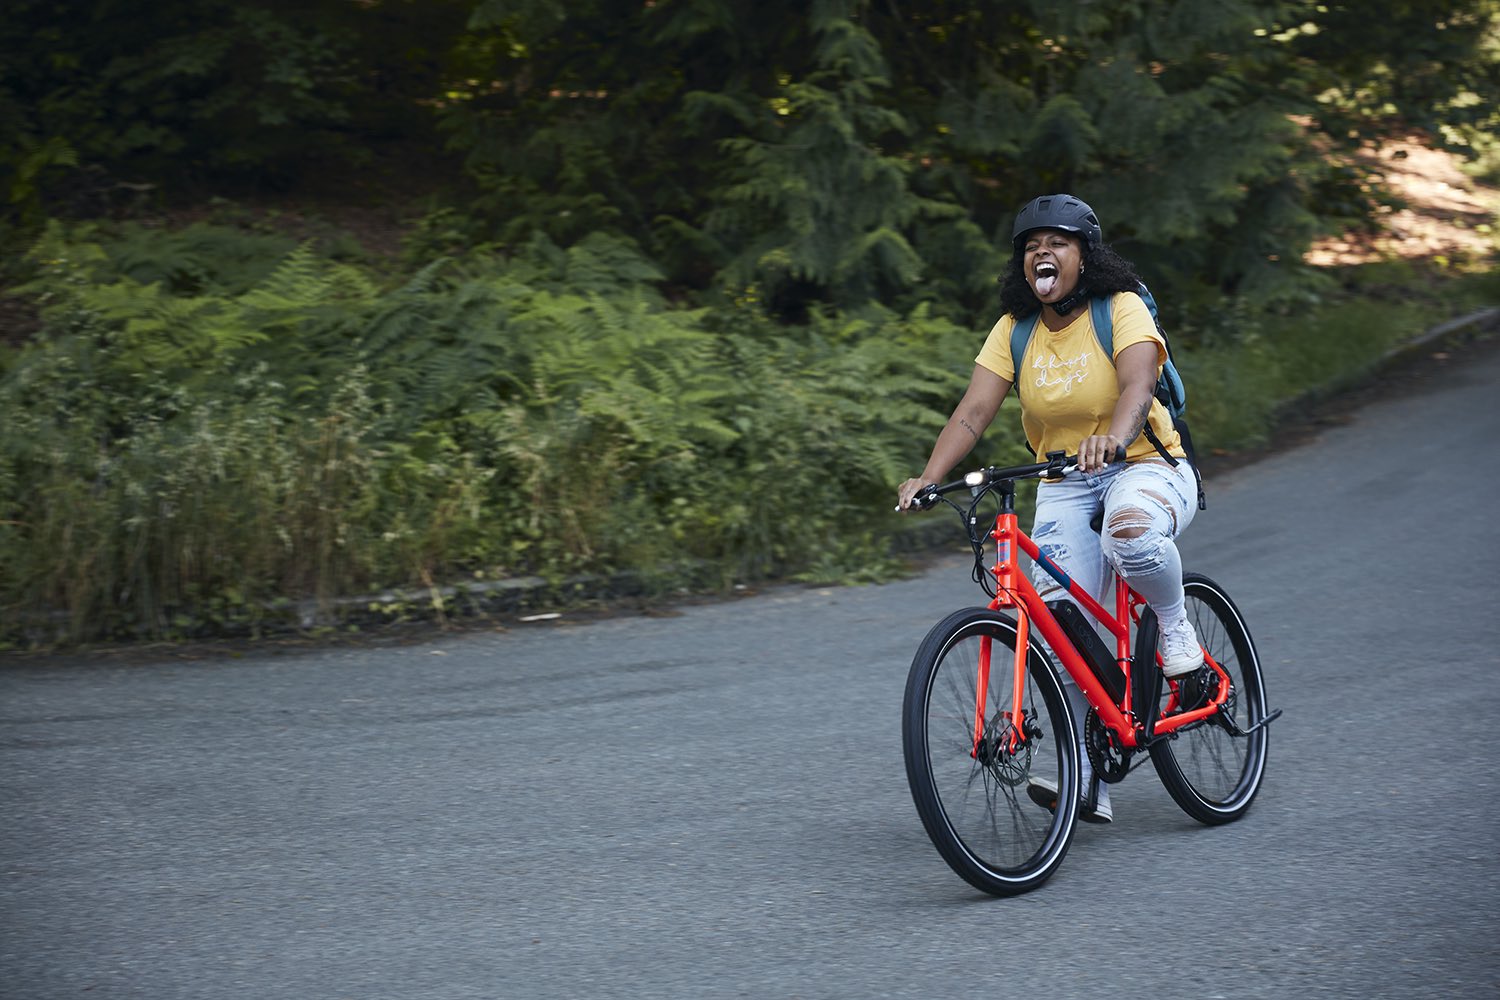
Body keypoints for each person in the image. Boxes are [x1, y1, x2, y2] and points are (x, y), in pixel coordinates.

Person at [896, 193, 1203, 824]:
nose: (1044, 251)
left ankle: (1175, 630)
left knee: (1130, 536)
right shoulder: (1016, 329)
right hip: (1063, 478)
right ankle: (1086, 779)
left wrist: (1115, 438)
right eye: (1033, 244)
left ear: (1085, 257)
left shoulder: (1118, 309)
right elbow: (973, 411)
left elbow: (1139, 384)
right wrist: (930, 476)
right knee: (1060, 628)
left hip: (1146, 464)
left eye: (1058, 242)